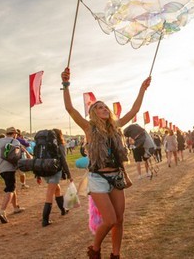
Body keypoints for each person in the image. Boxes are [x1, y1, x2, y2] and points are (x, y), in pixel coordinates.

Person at [61, 66, 151, 259]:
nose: (103, 108)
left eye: (104, 107)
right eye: (98, 107)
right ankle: (94, 249)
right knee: (109, 219)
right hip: (98, 178)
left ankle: (116, 255)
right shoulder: (88, 127)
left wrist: (142, 89)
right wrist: (66, 84)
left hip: (117, 176)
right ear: (93, 113)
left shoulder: (116, 126)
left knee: (119, 220)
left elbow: (135, 109)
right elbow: (70, 108)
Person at [38, 128, 73, 227]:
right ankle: (45, 220)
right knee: (50, 194)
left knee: (57, 189)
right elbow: (63, 161)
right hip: (55, 171)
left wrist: (38, 175)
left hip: (44, 170)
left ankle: (63, 210)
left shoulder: (44, 145)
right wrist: (69, 175)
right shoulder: (60, 145)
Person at [0, 127, 30, 224]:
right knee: (10, 189)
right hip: (9, 168)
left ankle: (15, 207)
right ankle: (2, 211)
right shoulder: (15, 141)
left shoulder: (0, 141)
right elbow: (16, 154)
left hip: (1, 168)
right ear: (15, 134)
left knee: (12, 187)